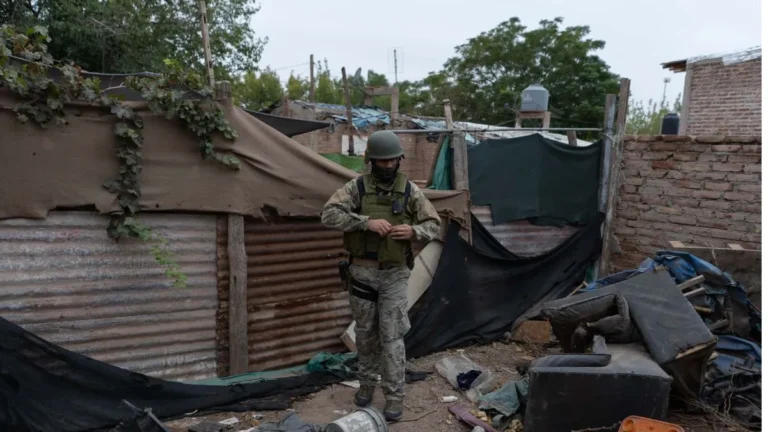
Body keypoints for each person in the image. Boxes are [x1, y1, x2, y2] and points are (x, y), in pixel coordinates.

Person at [321, 130, 441, 421]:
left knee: (392, 337)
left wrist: (413, 231)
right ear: (370, 160)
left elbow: (434, 224)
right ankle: (365, 387)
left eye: (392, 161)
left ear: (400, 159)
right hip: (361, 273)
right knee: (365, 336)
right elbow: (328, 215)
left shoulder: (410, 190)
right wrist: (365, 222)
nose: (388, 166)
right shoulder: (356, 188)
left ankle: (394, 397)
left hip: (395, 274)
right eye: (381, 161)